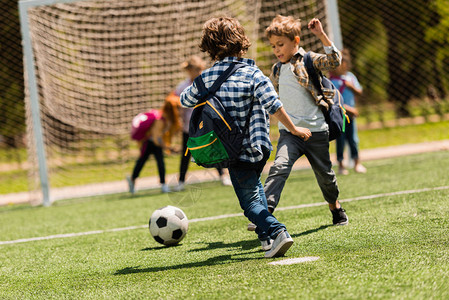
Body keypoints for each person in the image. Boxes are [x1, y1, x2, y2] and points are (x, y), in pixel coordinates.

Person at [180, 16, 311, 258]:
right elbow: (274, 105)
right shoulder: (254, 73)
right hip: (260, 146)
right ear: (241, 43)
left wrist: (206, 90)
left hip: (232, 149)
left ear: (209, 47)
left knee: (249, 203)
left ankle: (277, 230)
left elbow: (185, 99)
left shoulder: (207, 77)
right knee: (255, 186)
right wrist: (293, 129)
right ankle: (267, 238)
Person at [258, 15, 348, 228]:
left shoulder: (309, 59)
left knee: (325, 176)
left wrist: (321, 35)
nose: (277, 50)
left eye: (280, 44)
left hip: (316, 131)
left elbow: (335, 61)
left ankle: (335, 207)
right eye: (273, 46)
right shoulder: (276, 70)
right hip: (290, 133)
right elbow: (270, 98)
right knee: (279, 167)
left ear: (295, 41)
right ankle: (265, 213)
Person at [171, 56, 232, 192]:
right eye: (196, 69)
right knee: (186, 154)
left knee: (213, 148)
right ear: (190, 71)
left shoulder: (207, 82)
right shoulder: (183, 86)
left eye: (200, 69)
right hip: (189, 127)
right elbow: (176, 105)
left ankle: (223, 175)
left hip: (206, 124)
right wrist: (178, 120)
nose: (199, 72)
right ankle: (181, 182)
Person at [126, 100, 180, 194]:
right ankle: (133, 179)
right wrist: (167, 147)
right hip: (149, 143)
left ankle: (162, 184)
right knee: (144, 162)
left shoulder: (165, 119)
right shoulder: (160, 119)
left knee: (156, 163)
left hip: (153, 143)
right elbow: (156, 138)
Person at [329, 49, 367, 175]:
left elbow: (360, 92)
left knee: (353, 139)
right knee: (340, 140)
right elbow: (333, 102)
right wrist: (348, 108)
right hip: (339, 116)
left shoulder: (350, 77)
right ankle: (341, 165)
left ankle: (357, 163)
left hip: (351, 116)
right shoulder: (331, 81)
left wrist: (351, 87)